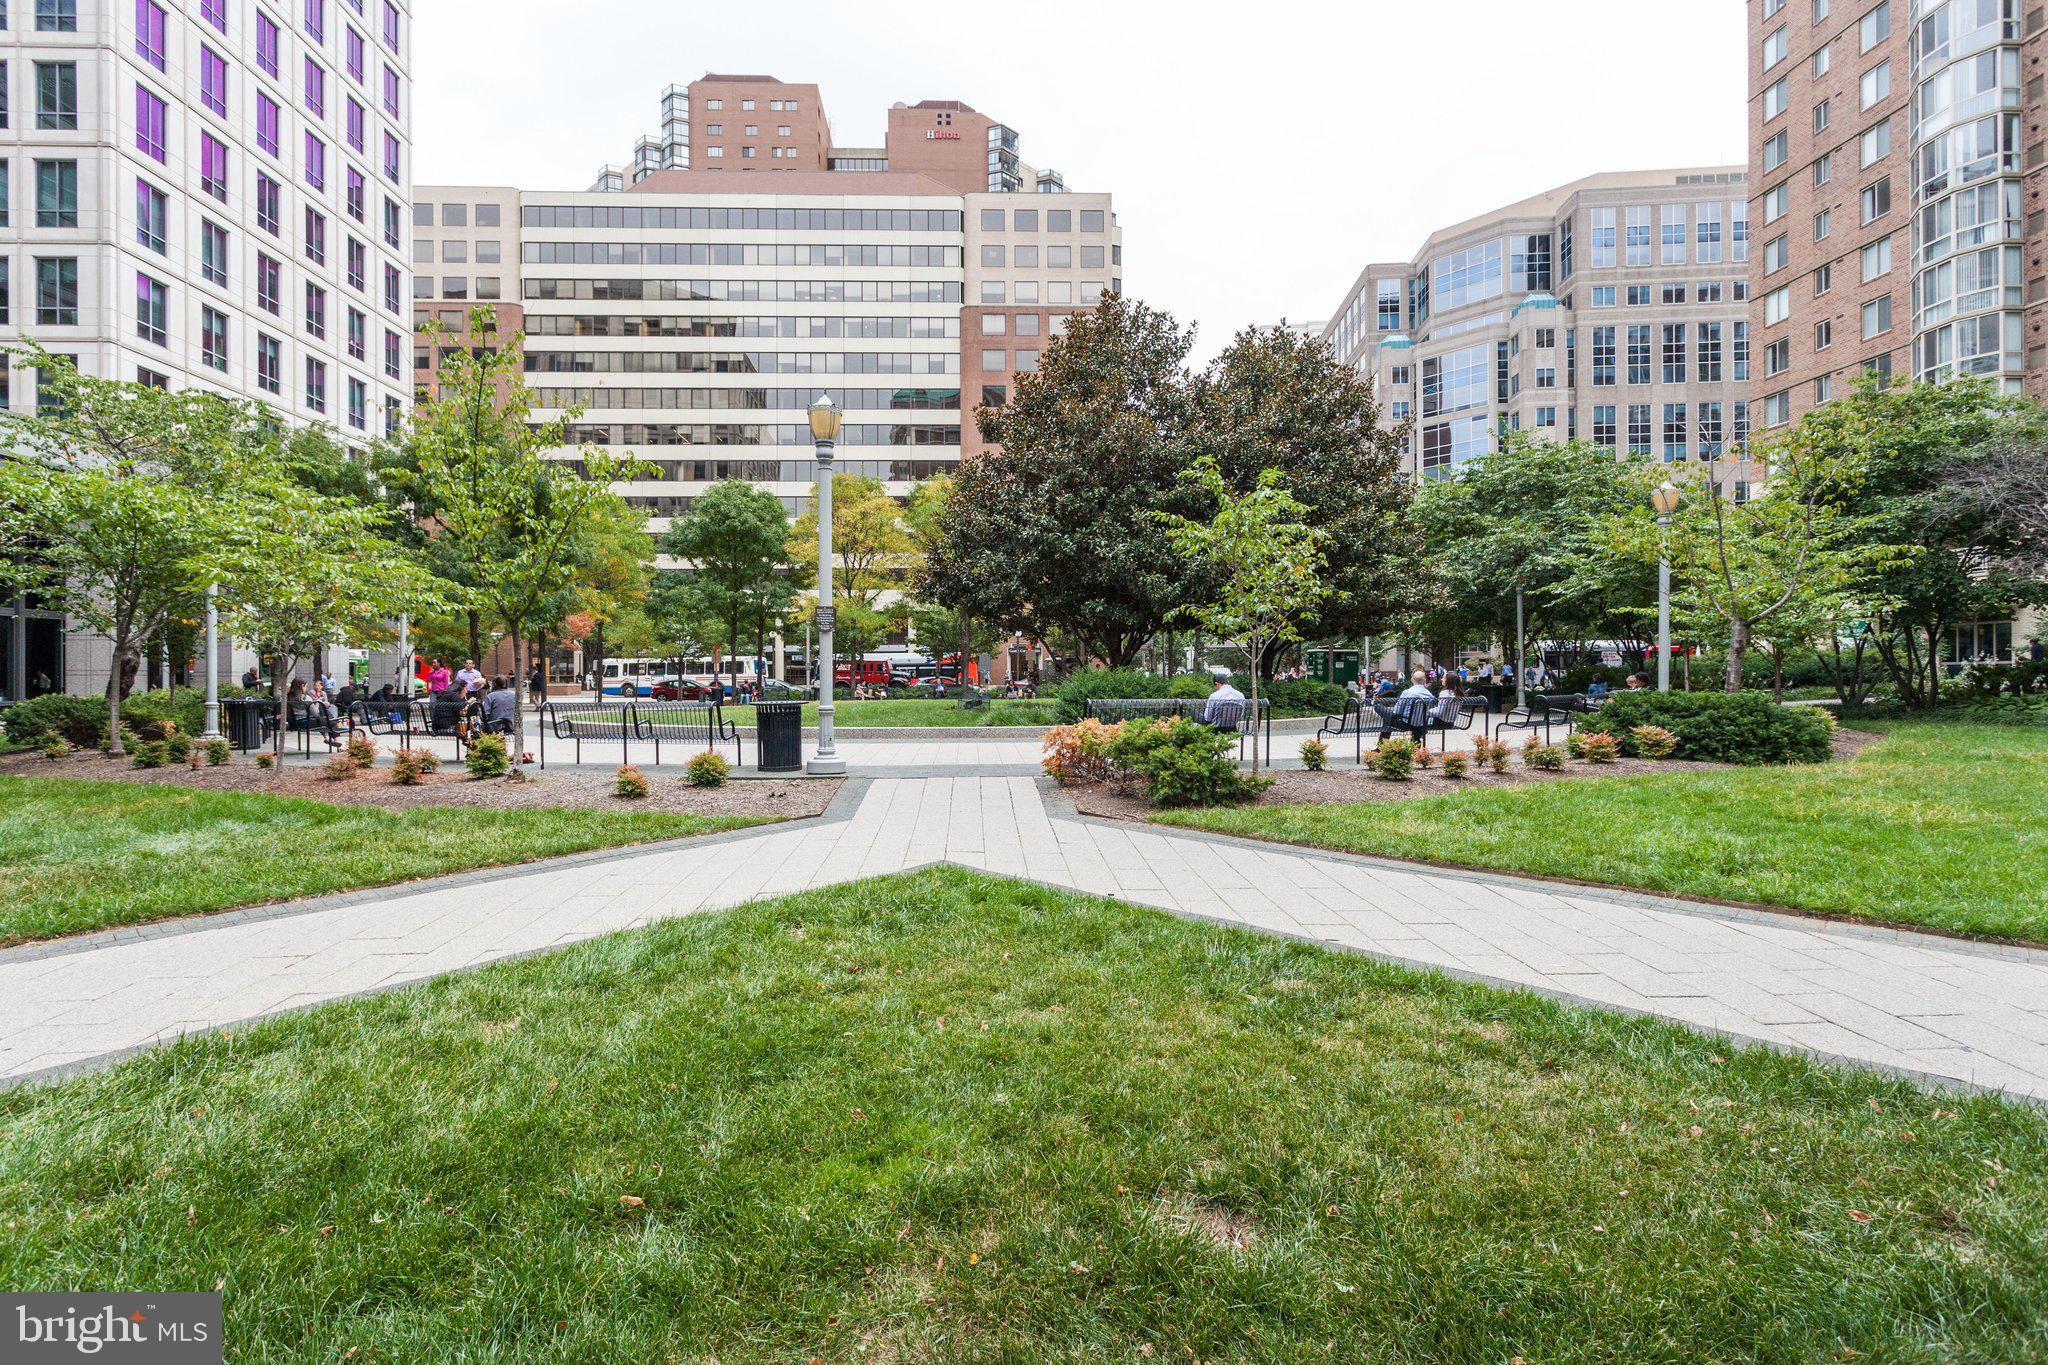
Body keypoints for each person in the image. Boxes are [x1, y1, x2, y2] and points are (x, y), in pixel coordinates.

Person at [1396, 670, 1437, 743]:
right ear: (1424, 681)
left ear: (1412, 680)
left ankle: (1380, 746)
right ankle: (1415, 744)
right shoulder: (1429, 695)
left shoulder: (1407, 693)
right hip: (1422, 723)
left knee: (1386, 717)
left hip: (1406, 723)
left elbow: (1397, 711)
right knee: (1418, 726)